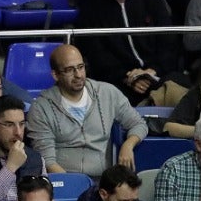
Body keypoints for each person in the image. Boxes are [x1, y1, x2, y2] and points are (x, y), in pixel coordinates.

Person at [75, 0, 184, 106]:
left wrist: (150, 72)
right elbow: (97, 56)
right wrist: (128, 77)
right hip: (119, 81)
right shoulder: (91, 9)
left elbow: (169, 45)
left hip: (157, 76)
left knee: (180, 84)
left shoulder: (152, 1)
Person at [26, 44, 147, 176]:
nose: (78, 75)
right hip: (64, 180)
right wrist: (75, 184)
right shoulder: (41, 108)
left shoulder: (107, 93)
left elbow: (138, 124)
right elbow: (48, 162)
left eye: (80, 67)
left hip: (103, 180)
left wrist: (128, 145)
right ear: (55, 75)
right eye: (70, 70)